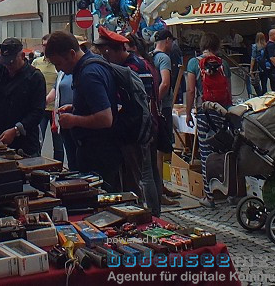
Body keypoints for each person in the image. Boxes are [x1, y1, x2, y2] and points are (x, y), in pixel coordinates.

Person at [93, 29, 159, 216]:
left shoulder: (131, 69)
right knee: (146, 174)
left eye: (105, 51)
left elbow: (137, 104)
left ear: (111, 50)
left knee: (142, 176)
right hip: (141, 127)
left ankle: (150, 215)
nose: (104, 56)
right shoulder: (136, 63)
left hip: (137, 130)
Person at [43, 32, 120, 188]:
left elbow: (105, 118)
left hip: (98, 153)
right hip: (99, 150)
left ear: (72, 54)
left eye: (59, 64)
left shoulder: (89, 74)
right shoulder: (93, 63)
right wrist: (75, 108)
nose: (59, 70)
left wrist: (74, 120)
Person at [0, 38, 45, 156]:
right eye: (5, 62)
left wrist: (16, 130)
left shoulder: (35, 77)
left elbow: (37, 112)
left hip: (26, 139)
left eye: (11, 62)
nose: (8, 66)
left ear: (22, 56)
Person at [184, 34, 232, 206]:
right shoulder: (223, 63)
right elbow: (229, 90)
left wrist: (189, 112)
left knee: (205, 153)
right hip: (222, 111)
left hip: (204, 111)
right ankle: (228, 192)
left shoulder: (193, 63)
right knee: (224, 150)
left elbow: (190, 90)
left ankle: (209, 196)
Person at [152, 29, 178, 203]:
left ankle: (159, 186)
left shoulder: (149, 56)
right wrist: (157, 101)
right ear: (167, 40)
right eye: (171, 42)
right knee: (161, 149)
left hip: (154, 107)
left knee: (154, 150)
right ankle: (159, 190)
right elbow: (165, 83)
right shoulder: (164, 58)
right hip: (163, 107)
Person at [32, 35, 59, 142]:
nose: (46, 48)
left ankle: (58, 160)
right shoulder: (36, 62)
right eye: (44, 45)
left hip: (56, 109)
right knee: (39, 139)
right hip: (41, 108)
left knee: (58, 144)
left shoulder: (58, 63)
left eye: (48, 45)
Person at [247, 32, 268, 97]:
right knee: (264, 84)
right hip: (265, 67)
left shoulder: (255, 46)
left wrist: (251, 69)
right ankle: (265, 96)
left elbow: (253, 58)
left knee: (256, 83)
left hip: (257, 68)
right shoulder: (266, 46)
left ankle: (260, 96)